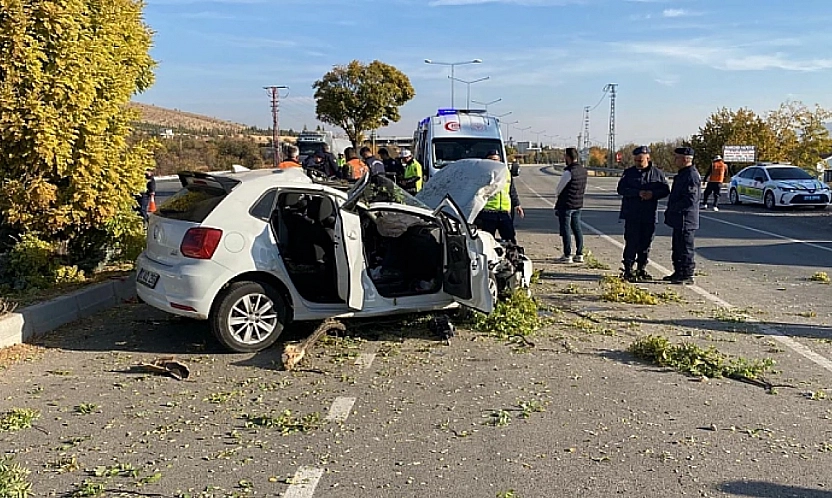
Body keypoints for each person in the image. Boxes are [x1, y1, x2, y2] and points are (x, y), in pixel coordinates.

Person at [616, 146, 670, 282]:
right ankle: (628, 268)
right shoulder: (629, 173)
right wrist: (637, 193)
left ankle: (641, 268)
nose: (638, 163)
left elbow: (665, 190)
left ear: (648, 158)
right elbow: (621, 189)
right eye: (636, 160)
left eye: (640, 160)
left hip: (649, 214)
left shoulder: (657, 173)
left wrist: (652, 194)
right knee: (631, 241)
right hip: (632, 213)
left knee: (646, 243)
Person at [663, 147, 701, 285]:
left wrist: (674, 208)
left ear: (685, 159)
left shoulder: (691, 175)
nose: (675, 160)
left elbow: (690, 199)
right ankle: (678, 272)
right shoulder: (683, 173)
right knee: (677, 247)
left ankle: (687, 274)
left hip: (686, 219)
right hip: (679, 219)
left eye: (677, 157)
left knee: (685, 248)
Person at [474, 150, 525, 244]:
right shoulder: (483, 174)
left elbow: (511, 190)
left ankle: (512, 257)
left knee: (510, 240)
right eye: (492, 160)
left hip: (504, 212)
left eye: (496, 160)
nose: (494, 162)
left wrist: (517, 205)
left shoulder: (506, 173)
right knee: (487, 242)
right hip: (487, 212)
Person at [553, 148, 588, 263]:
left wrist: (558, 198)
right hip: (578, 204)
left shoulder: (569, 172)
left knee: (566, 229)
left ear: (568, 157)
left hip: (566, 205)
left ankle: (567, 254)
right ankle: (579, 253)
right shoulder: (583, 170)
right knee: (577, 228)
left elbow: (559, 189)